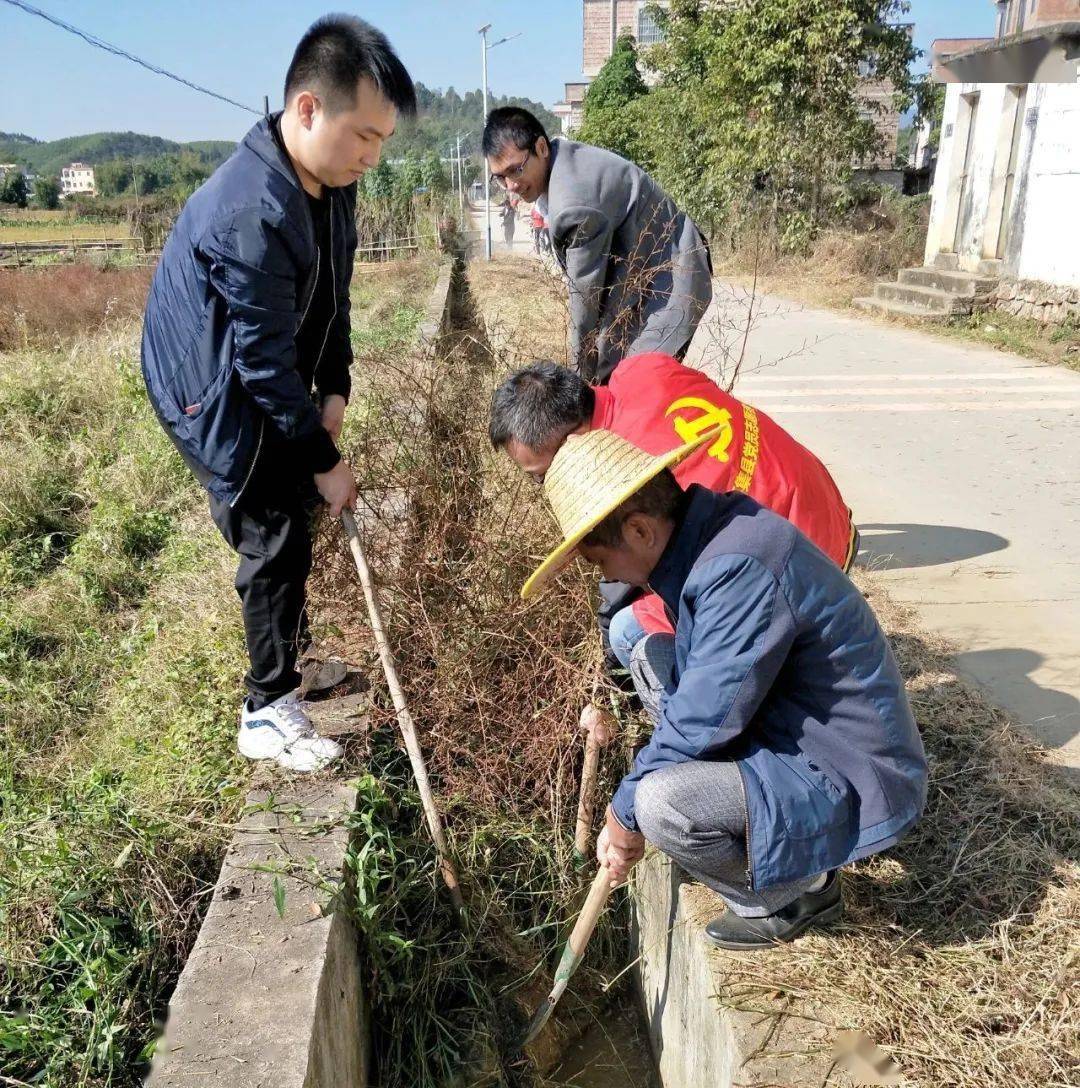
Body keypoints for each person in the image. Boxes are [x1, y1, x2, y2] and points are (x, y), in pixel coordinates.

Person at [519, 429, 927, 949]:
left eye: (600, 563)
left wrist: (624, 815)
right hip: (784, 729)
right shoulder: (707, 536)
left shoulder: (737, 566)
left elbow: (701, 721)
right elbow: (704, 698)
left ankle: (800, 892)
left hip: (847, 770)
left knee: (659, 803)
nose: (606, 578)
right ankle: (747, 839)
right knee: (633, 636)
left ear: (641, 531)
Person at [141, 16, 416, 771]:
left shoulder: (331, 185)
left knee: (295, 511)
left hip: (262, 365)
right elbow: (260, 365)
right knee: (272, 528)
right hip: (209, 383)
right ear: (306, 110)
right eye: (363, 134)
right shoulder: (249, 212)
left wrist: (336, 387)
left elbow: (334, 298)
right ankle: (265, 709)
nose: (372, 154)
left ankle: (288, 665)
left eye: (382, 140)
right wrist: (322, 456)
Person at [489, 355, 857, 669]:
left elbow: (636, 579)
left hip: (802, 576)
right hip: (829, 515)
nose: (544, 488)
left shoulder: (625, 475)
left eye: (540, 477)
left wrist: (610, 674)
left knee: (627, 632)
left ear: (571, 443)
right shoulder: (642, 368)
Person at [482, 107, 713, 384]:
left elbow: (586, 302)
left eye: (515, 170)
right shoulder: (561, 160)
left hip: (673, 280)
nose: (510, 185)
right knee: (618, 380)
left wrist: (580, 380)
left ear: (541, 147)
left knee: (637, 385)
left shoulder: (574, 204)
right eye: (499, 177)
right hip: (642, 275)